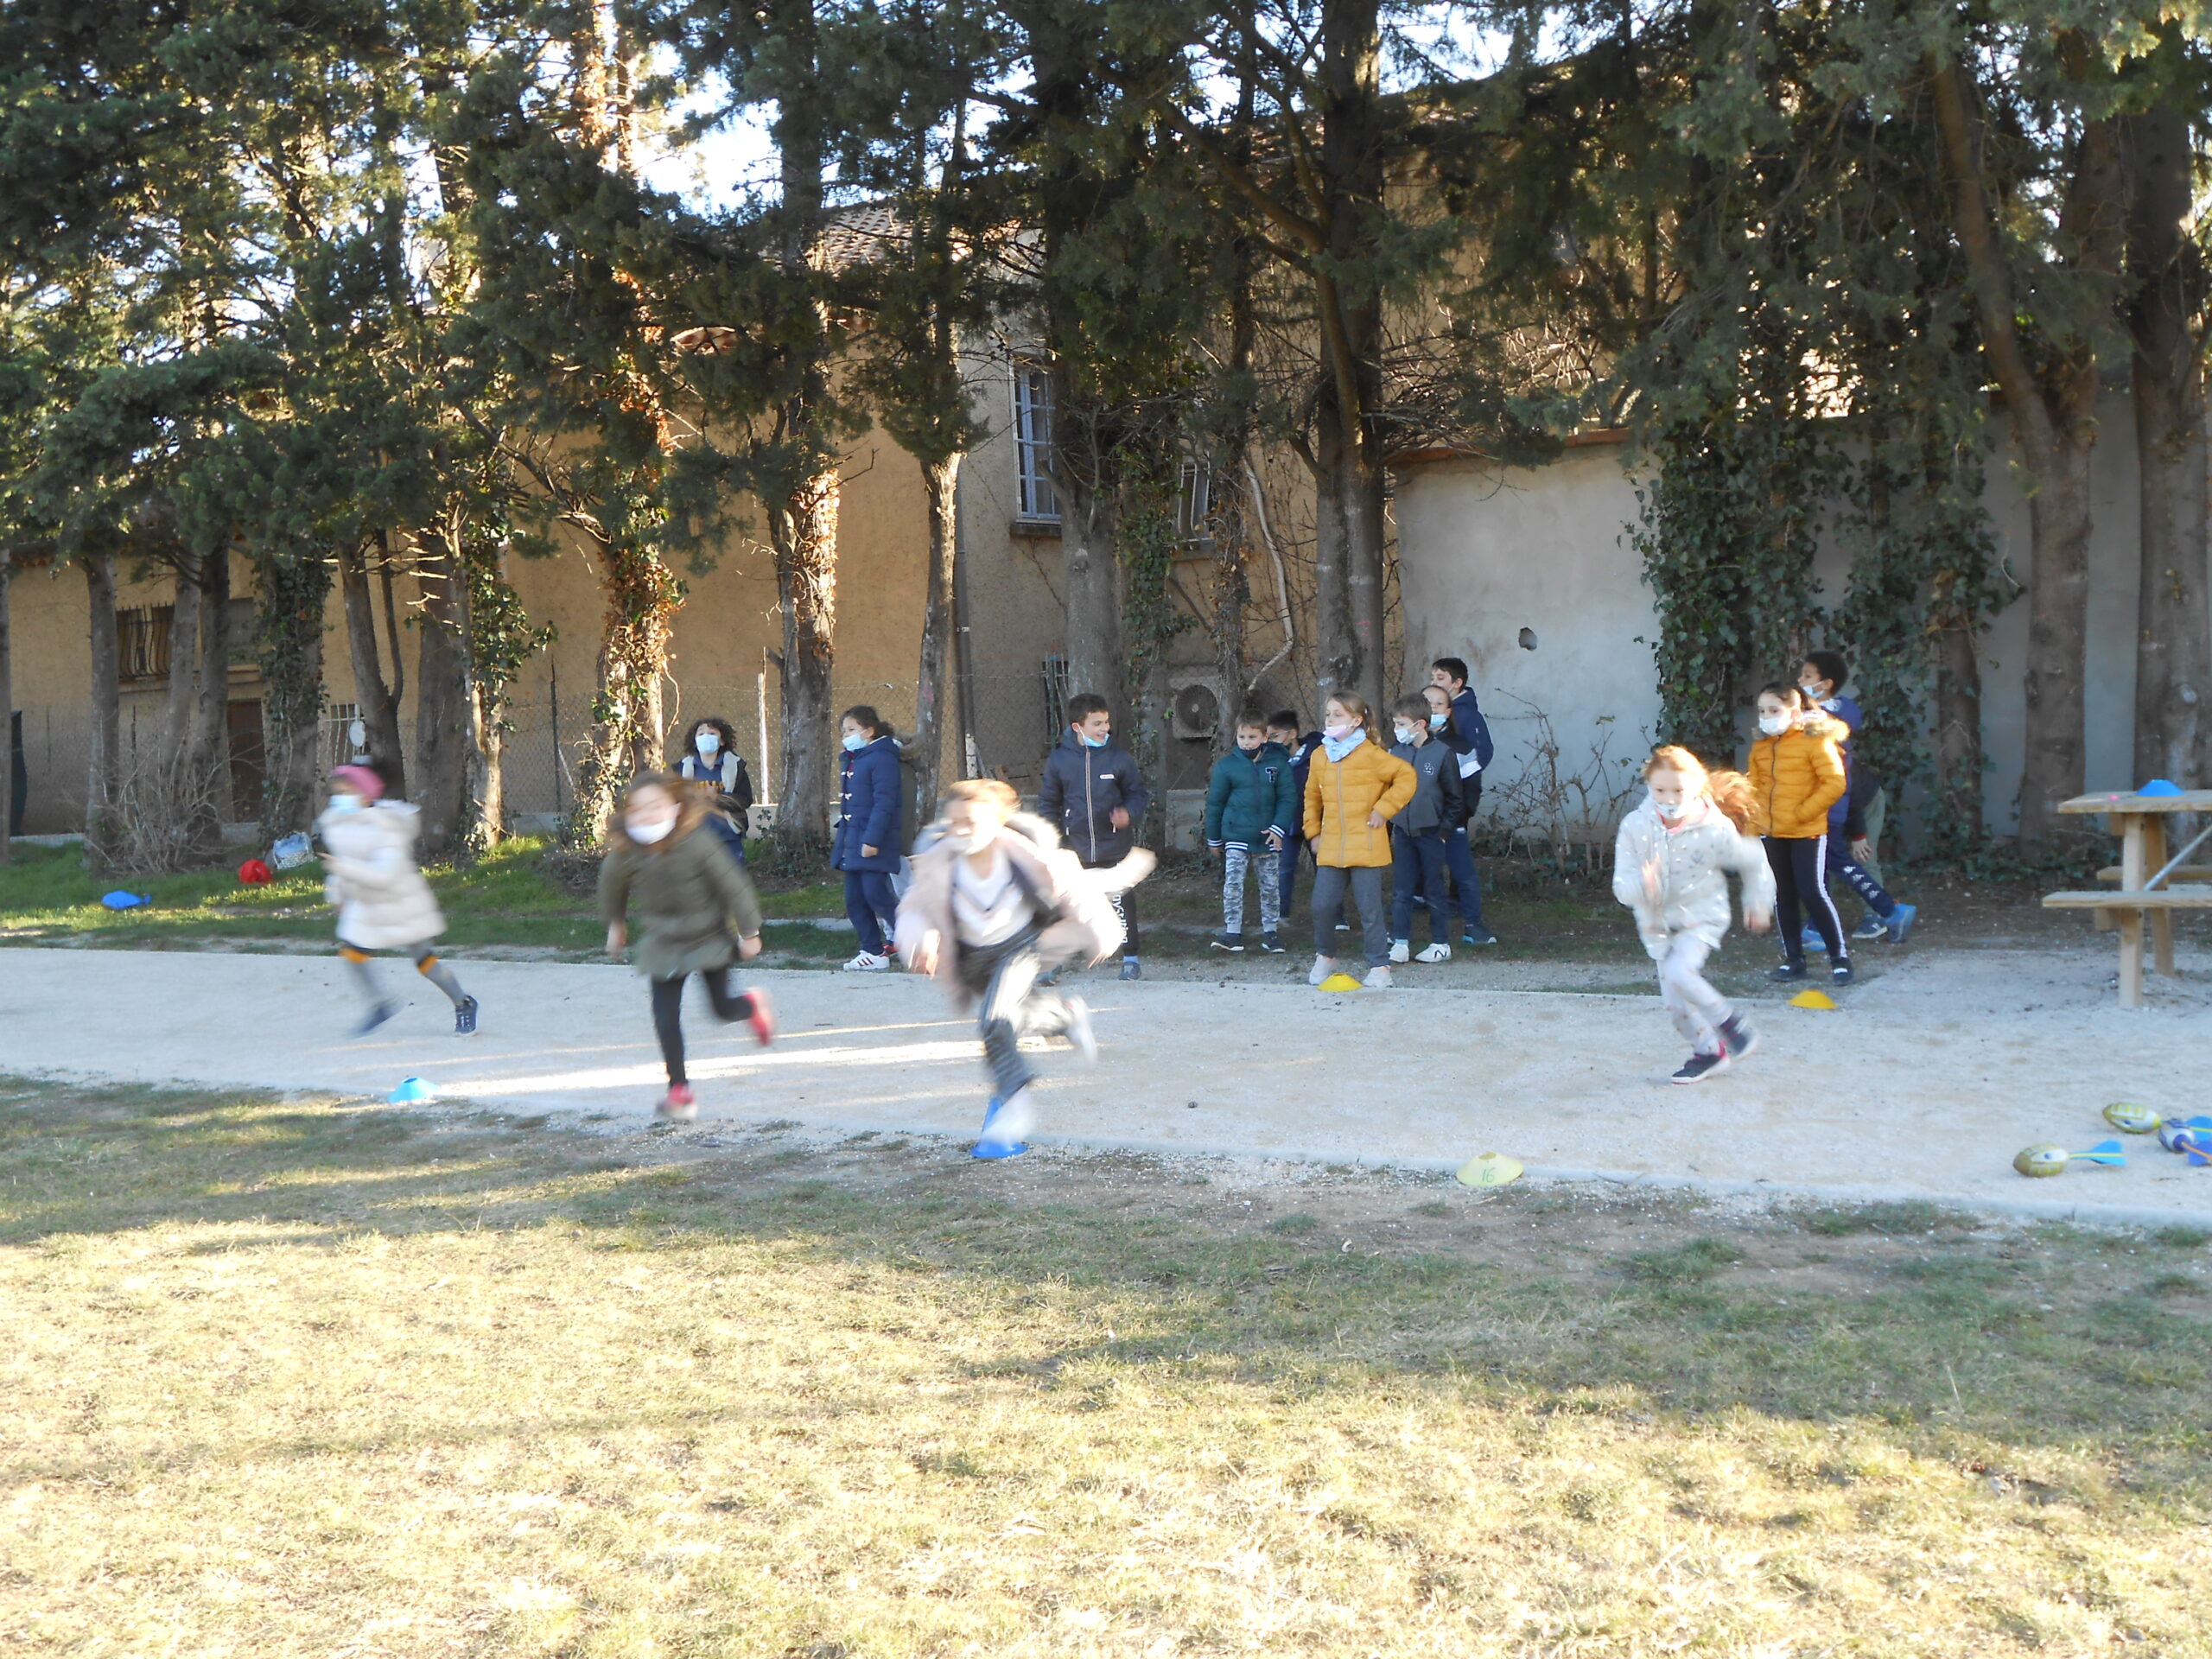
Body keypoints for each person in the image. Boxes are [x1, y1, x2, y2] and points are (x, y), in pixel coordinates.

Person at [895, 779, 1154, 1158]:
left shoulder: (1023, 854)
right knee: (1012, 1016)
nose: (961, 830)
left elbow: (1074, 889)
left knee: (995, 1021)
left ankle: (1015, 1107)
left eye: (971, 821)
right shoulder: (939, 861)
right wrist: (917, 939)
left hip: (1018, 949)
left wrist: (1101, 932)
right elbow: (913, 908)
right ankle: (1066, 1017)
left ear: (998, 822)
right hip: (971, 959)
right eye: (955, 823)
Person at [599, 773, 776, 1122]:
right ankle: (679, 1091)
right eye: (638, 809)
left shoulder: (698, 842)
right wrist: (615, 924)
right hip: (663, 943)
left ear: (676, 808)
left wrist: (749, 930)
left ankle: (752, 1004)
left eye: (656, 806)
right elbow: (611, 886)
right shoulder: (627, 850)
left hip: (708, 935)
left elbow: (734, 886)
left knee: (721, 1010)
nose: (647, 814)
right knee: (665, 1018)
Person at [1612, 747, 1776, 1083]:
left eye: (1678, 790)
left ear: (1696, 788)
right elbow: (1621, 887)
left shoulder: (1713, 828)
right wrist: (1642, 885)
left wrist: (1759, 901)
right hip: (1657, 927)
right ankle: (1709, 1053)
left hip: (1701, 917)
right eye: (1660, 790)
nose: (1669, 799)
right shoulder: (1634, 827)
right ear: (1649, 786)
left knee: (1679, 971)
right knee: (1676, 1007)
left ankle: (1731, 1024)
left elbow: (1754, 859)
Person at [317, 760, 479, 1038]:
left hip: (402, 902)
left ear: (366, 793)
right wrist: (337, 892)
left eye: (346, 791)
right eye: (337, 792)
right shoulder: (339, 823)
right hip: (367, 903)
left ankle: (463, 1003)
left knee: (425, 963)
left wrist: (342, 869)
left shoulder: (387, 826)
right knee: (352, 952)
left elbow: (385, 875)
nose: (339, 797)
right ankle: (380, 1005)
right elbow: (341, 863)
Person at [1796, 652, 1916, 947]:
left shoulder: (1835, 723)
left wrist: (1859, 831)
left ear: (1826, 683)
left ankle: (1883, 913)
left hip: (1852, 803)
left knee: (1854, 859)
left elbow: (1843, 781)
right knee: (1825, 865)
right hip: (1828, 807)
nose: (1800, 681)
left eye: (1807, 676)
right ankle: (1821, 926)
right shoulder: (1802, 717)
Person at [1303, 692, 1415, 988]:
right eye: (1328, 713)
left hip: (1366, 845)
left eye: (1337, 714)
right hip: (1332, 845)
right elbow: (1311, 797)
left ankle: (1379, 966)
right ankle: (1326, 956)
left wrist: (1384, 809)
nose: (1330, 719)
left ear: (1356, 721)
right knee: (1321, 905)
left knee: (1370, 910)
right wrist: (1313, 832)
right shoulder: (1320, 755)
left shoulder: (1372, 754)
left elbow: (1406, 777)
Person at [1036, 693, 1149, 981]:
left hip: (1113, 846)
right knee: (1063, 907)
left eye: (1106, 722)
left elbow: (1137, 794)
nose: (1104, 728)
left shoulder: (1119, 758)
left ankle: (1131, 958)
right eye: (1097, 723)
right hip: (1073, 849)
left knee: (1121, 902)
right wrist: (1051, 841)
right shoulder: (1059, 761)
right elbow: (1048, 803)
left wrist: (1128, 813)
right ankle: (1053, 963)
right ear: (1078, 726)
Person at [1746, 683, 1853, 985]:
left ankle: (1840, 959)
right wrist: (1753, 825)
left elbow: (1835, 782)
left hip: (1807, 832)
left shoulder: (1815, 740)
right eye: (1762, 711)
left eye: (1774, 710)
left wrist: (1803, 813)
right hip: (1772, 832)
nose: (1766, 717)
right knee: (1784, 894)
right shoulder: (1761, 746)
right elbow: (1754, 787)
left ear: (1794, 712)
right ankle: (1794, 960)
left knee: (1812, 892)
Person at [1204, 712, 1297, 954]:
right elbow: (1215, 804)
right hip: (1236, 836)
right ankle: (1232, 933)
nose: (1246, 742)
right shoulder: (1226, 766)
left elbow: (1288, 798)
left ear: (1264, 737)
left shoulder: (1278, 764)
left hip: (1268, 837)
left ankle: (1271, 933)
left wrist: (1278, 827)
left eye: (1252, 737)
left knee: (1270, 887)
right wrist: (1214, 838)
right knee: (1233, 885)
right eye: (1242, 737)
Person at [1427, 658, 1499, 947]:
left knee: (1461, 867)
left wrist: (1463, 802)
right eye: (1433, 677)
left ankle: (1467, 916)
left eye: (1441, 678)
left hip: (1454, 809)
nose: (1435, 682)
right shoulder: (1414, 737)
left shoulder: (1468, 716)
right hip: (1423, 815)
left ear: (1457, 684)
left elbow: (1479, 755)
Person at [1386, 693, 1462, 963]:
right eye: (1395, 723)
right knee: (1402, 890)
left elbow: (1455, 798)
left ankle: (1440, 943)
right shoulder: (1396, 752)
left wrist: (1443, 833)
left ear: (1420, 724)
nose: (1396, 729)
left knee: (1433, 889)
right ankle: (1400, 942)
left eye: (1401, 724)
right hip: (1403, 832)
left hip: (1431, 833)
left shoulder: (1442, 754)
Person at [831, 705, 903, 971]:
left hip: (873, 841)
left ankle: (920, 939)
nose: (845, 736)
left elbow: (884, 803)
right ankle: (872, 951)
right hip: (852, 841)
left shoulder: (882, 758)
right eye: (843, 731)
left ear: (869, 731)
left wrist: (872, 840)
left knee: (876, 894)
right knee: (854, 898)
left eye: (851, 729)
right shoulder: (854, 758)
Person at [1268, 709, 1328, 930]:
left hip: (1315, 823)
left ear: (1292, 734)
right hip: (1289, 824)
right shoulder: (1275, 761)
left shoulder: (1315, 754)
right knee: (1284, 868)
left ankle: (1335, 916)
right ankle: (1281, 914)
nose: (1271, 742)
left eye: (1275, 736)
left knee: (1324, 869)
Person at [675, 717, 756, 866]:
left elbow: (745, 800)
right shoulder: (682, 769)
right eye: (701, 734)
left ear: (722, 741)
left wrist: (718, 797)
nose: (706, 737)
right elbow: (675, 802)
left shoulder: (735, 768)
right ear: (695, 742)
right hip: (695, 837)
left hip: (728, 837)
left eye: (712, 733)